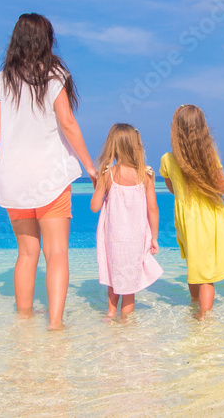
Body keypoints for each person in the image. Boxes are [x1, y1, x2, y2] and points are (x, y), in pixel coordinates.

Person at [0, 13, 98, 330]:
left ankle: (24, 323)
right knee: (56, 253)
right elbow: (68, 123)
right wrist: (89, 165)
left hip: (13, 180)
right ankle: (56, 325)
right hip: (51, 177)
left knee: (27, 255)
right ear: (46, 40)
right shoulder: (54, 74)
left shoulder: (1, 80)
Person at [160, 104, 224, 318]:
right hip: (206, 219)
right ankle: (204, 318)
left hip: (184, 220)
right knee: (206, 273)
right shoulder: (208, 157)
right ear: (202, 129)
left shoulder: (167, 159)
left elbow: (172, 190)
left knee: (194, 264)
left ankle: (194, 305)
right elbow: (222, 186)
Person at [90, 123, 163, 321]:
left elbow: (94, 207)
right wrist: (154, 237)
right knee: (129, 283)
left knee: (114, 276)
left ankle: (110, 314)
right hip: (136, 239)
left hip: (114, 237)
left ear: (112, 146)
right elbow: (153, 209)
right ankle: (126, 322)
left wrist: (98, 183)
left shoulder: (108, 174)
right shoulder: (145, 175)